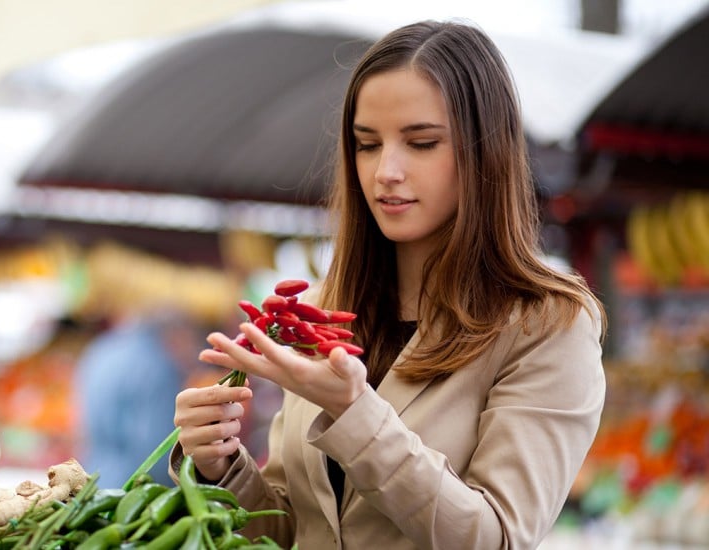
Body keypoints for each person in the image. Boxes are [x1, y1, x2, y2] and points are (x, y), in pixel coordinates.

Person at [172, 20, 607, 550]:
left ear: (484, 152)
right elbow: (293, 530)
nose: (385, 172)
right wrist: (222, 466)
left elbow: (496, 538)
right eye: (367, 144)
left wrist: (357, 414)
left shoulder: (547, 324)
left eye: (421, 143)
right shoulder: (320, 310)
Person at [74, 308, 206, 488]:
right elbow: (157, 450)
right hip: (134, 491)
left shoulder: (101, 349)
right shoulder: (156, 365)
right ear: (176, 334)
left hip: (94, 478)